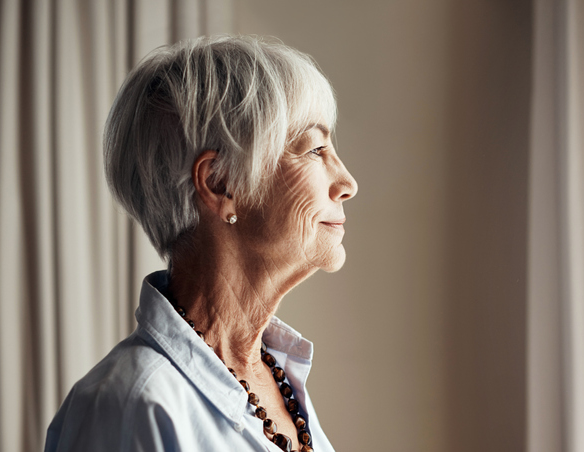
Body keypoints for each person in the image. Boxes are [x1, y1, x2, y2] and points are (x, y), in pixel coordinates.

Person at [44, 35, 357, 452]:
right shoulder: (131, 405)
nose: (348, 184)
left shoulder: (275, 378)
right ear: (219, 182)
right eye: (315, 149)